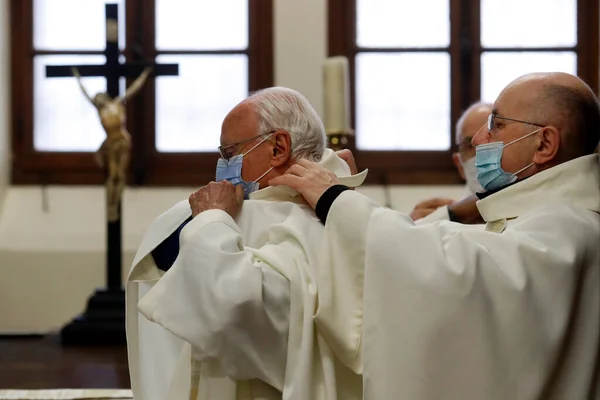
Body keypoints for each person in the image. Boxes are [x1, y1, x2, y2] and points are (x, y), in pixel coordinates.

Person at [212, 72, 599, 399]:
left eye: (497, 124)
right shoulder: (540, 218)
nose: (480, 140)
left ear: (545, 143)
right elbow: (439, 245)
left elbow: (451, 271)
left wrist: (334, 199)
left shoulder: (568, 232)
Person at [126, 87, 367, 400]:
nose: (224, 165)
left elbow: (232, 311)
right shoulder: (342, 214)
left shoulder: (293, 221)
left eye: (229, 152)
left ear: (278, 147)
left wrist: (211, 219)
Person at [73, 66, 152, 222]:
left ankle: (116, 205)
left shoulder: (117, 103)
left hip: (123, 141)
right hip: (111, 144)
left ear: (104, 96)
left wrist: (143, 75)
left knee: (120, 175)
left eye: (99, 98)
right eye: (96, 100)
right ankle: (111, 205)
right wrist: (78, 78)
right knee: (112, 175)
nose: (97, 100)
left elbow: (133, 89)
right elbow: (85, 93)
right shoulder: (99, 110)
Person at [410, 102, 492, 223]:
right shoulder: (441, 221)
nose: (482, 153)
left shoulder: (527, 219)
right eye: (470, 146)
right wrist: (413, 230)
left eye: (492, 141)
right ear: (459, 165)